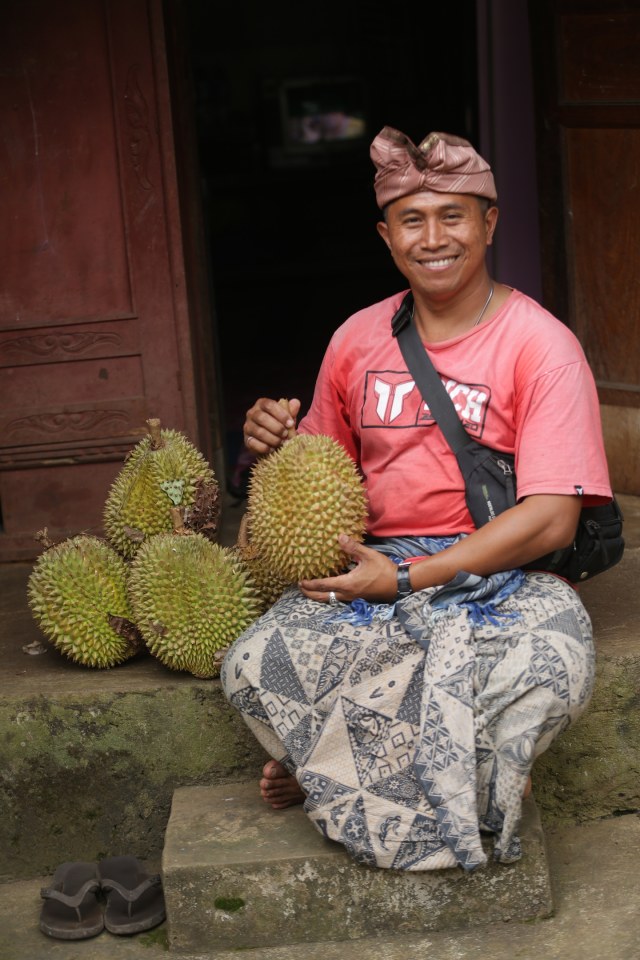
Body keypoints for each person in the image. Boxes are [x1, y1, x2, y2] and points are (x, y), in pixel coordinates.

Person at [221, 127, 612, 872]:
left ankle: (328, 766)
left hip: (502, 576)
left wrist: (411, 579)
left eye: (454, 215)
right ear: (386, 234)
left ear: (489, 223)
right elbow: (318, 481)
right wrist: (270, 443)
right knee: (251, 662)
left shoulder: (542, 345)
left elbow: (553, 517)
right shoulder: (357, 339)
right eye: (412, 220)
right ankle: (390, 769)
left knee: (550, 665)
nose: (433, 238)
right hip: (376, 567)